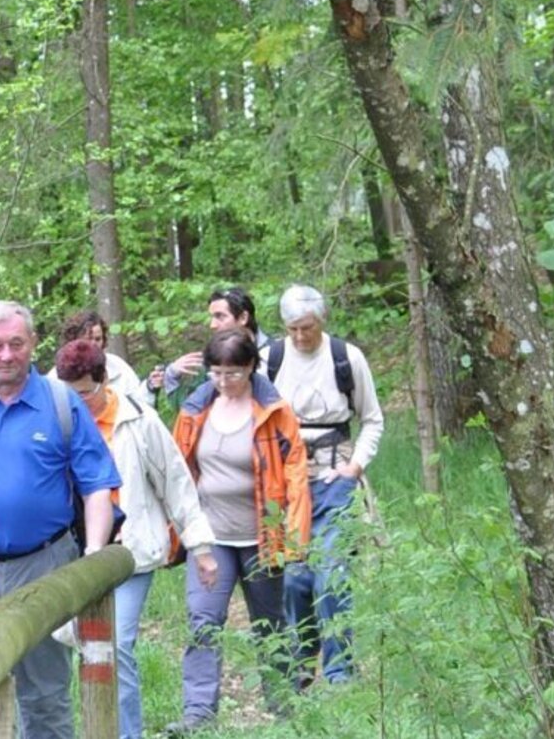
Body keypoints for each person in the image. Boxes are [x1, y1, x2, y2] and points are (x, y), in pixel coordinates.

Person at [0, 300, 120, 739]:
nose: (6, 355)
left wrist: (93, 556)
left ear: (33, 344)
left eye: (16, 343)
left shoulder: (61, 403)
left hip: (45, 566)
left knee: (45, 694)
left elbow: (96, 484)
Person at [53, 339, 218, 739]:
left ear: (104, 381)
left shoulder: (138, 419)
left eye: (85, 394)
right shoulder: (56, 419)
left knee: (115, 642)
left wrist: (201, 546)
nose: (77, 402)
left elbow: (175, 482)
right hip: (71, 553)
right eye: (67, 393)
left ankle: (127, 734)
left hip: (131, 551)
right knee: (76, 645)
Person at [168, 328, 310, 733]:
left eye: (232, 372)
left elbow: (296, 474)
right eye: (215, 372)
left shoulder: (274, 411)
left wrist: (296, 538)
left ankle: (284, 706)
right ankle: (197, 713)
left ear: (250, 367)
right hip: (209, 538)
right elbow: (177, 471)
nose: (223, 380)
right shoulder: (195, 410)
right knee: (203, 621)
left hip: (262, 538)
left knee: (269, 625)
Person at [271, 284, 385, 688]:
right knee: (296, 578)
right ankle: (301, 663)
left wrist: (355, 467)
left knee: (331, 572)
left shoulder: (346, 357)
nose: (301, 336)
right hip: (289, 482)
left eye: (308, 327)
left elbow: (372, 418)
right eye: (293, 328)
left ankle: (340, 671)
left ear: (321, 321)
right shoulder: (273, 358)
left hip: (336, 476)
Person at [161, 287, 270, 406]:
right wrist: (171, 374)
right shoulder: (215, 359)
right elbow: (190, 406)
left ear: (243, 318)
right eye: (212, 317)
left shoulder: (277, 354)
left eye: (220, 316)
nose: (212, 325)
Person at [47, 310, 151, 402]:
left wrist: (149, 388)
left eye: (97, 339)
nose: (93, 344)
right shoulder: (55, 378)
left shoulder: (118, 367)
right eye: (87, 339)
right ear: (73, 340)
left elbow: (140, 405)